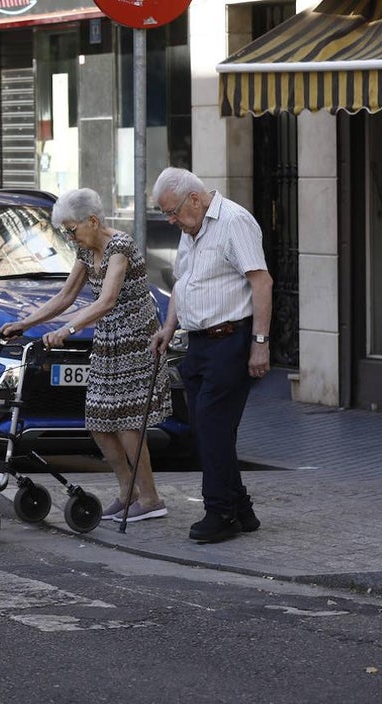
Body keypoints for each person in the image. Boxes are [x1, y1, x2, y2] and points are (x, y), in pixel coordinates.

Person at [0, 187, 170, 523]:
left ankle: (151, 498)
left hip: (136, 340)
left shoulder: (120, 246)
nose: (69, 236)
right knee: (98, 420)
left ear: (92, 220)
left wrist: (68, 329)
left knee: (128, 422)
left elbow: (107, 300)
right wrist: (25, 323)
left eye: (71, 229)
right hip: (108, 341)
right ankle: (128, 492)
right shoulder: (85, 249)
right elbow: (65, 296)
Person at [150, 167, 273, 543]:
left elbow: (261, 282)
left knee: (214, 429)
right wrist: (168, 328)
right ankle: (241, 509)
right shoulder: (192, 228)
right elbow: (183, 284)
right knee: (207, 430)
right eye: (166, 214)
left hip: (230, 341)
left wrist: (260, 342)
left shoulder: (234, 221)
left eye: (172, 212)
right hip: (199, 344)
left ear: (195, 199)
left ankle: (220, 512)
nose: (171, 221)